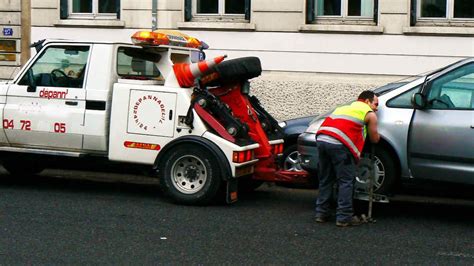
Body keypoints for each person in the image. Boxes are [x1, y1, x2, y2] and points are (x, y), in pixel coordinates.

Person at [314, 90, 380, 227]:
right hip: (339, 144)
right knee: (346, 181)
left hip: (321, 139)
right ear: (367, 101)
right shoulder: (369, 113)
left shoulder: (343, 107)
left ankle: (321, 213)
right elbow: (374, 139)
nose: (376, 108)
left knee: (326, 179)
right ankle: (344, 217)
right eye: (376, 104)